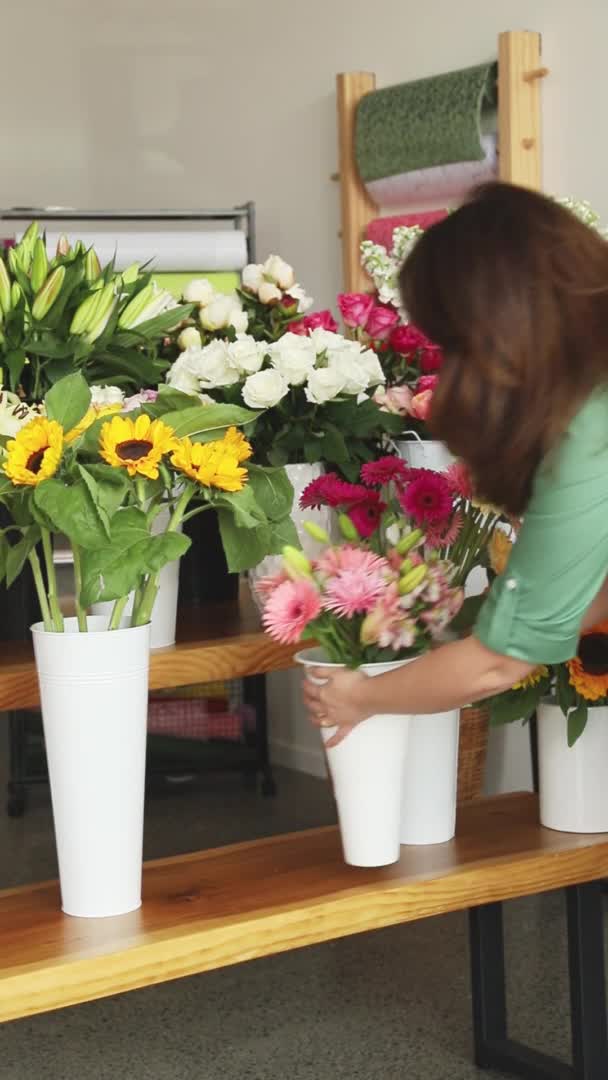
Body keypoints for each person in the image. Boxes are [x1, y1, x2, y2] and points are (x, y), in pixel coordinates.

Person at [303, 181, 608, 747]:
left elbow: (498, 664)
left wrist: (357, 696)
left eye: (453, 344)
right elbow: (587, 596)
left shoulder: (586, 433)